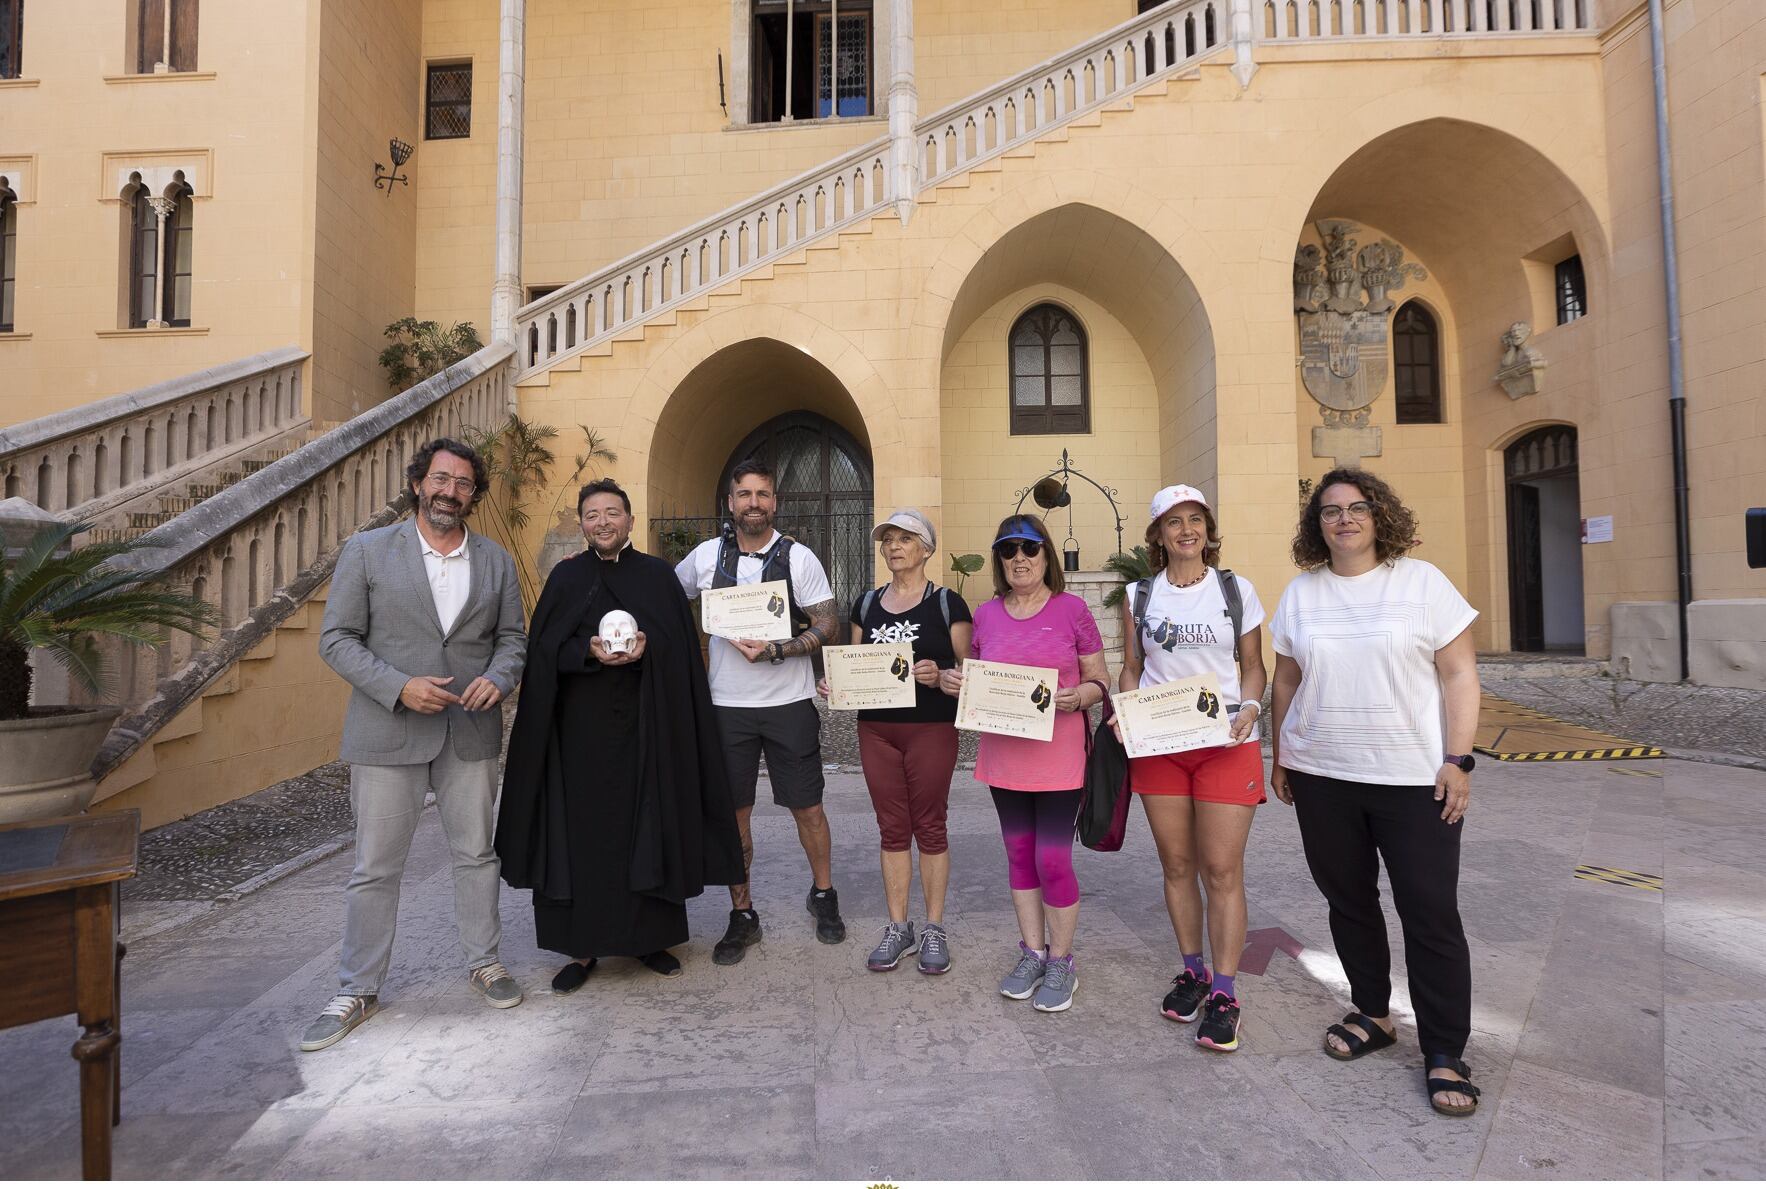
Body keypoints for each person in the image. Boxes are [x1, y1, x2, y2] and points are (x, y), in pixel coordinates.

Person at [1268, 466, 1483, 1116]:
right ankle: (1373, 1011)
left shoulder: (1422, 583)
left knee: (1430, 911)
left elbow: (1461, 672)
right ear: (1318, 525)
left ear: (1380, 515)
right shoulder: (1301, 594)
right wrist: (1282, 755)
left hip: (1413, 781)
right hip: (1323, 776)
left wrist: (1459, 758)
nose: (1345, 518)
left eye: (1357, 506)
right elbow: (1285, 682)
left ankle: (1445, 1047)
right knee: (1349, 901)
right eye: (1331, 510)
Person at [303, 438, 527, 1052]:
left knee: (477, 855)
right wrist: (399, 687)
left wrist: (499, 679)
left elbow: (513, 640)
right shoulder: (370, 551)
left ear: (473, 494)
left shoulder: (496, 562)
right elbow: (338, 639)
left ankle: (485, 961)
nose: (449, 491)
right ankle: (357, 988)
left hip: (469, 731)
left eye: (461, 483)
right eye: (440, 479)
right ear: (417, 483)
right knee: (375, 865)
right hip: (387, 731)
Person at [496, 479, 746, 990]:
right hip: (578, 740)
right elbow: (542, 656)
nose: (603, 522)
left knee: (649, 824)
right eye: (592, 514)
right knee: (579, 836)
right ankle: (581, 949)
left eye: (613, 512)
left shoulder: (657, 578)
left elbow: (682, 654)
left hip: (648, 731)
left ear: (630, 521)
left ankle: (650, 939)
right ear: (584, 524)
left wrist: (650, 648)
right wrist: (586, 652)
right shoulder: (565, 581)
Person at [1115, 484, 1268, 1053]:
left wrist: (1252, 707)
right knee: (1177, 864)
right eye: (1173, 521)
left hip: (1225, 740)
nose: (1186, 530)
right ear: (1157, 534)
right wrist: (1127, 708)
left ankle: (1225, 992)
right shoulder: (1138, 595)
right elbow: (1131, 667)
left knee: (1221, 869)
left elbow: (1253, 667)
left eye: (1195, 519)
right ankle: (1193, 970)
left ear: (1207, 528)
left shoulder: (1235, 589)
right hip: (1160, 743)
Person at [675, 458, 846, 963]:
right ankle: (742, 913)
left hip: (789, 702)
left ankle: (824, 895)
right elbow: (665, 596)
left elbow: (828, 624)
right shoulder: (707, 556)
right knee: (735, 814)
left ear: (776, 502)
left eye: (763, 494)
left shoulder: (798, 558)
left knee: (808, 807)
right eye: (744, 494)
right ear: (730, 502)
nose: (754, 503)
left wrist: (779, 650)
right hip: (727, 705)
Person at [940, 513, 1108, 1013]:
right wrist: (957, 684)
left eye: (1029, 549)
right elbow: (977, 677)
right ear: (999, 560)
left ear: (1046, 555)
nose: (1019, 558)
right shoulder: (986, 614)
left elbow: (1101, 680)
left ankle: (1062, 961)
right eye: (1009, 550)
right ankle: (1032, 952)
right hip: (1005, 756)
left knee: (1052, 858)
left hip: (1059, 756)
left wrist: (1080, 696)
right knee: (1018, 854)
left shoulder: (1072, 610)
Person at [818, 509, 972, 975]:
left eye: (905, 539)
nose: (894, 547)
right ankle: (898, 926)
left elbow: (971, 676)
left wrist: (941, 674)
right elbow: (859, 663)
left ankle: (934, 928)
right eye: (887, 540)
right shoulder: (866, 603)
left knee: (929, 825)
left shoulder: (948, 603)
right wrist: (837, 685)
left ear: (925, 549)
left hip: (931, 727)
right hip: (877, 729)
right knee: (891, 828)